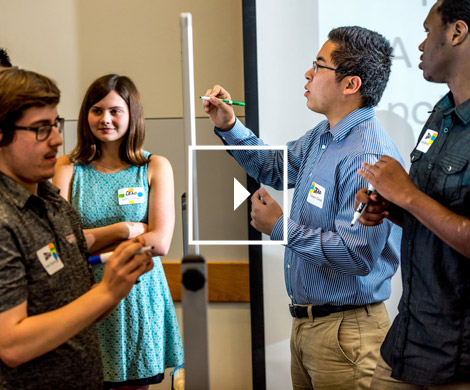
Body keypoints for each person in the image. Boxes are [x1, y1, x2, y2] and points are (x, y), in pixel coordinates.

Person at [203, 26, 403, 390]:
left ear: (350, 85)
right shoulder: (324, 136)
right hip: (310, 328)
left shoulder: (366, 154)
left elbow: (356, 254)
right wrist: (230, 126)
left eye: (319, 65)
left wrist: (280, 226)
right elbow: (274, 167)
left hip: (346, 335)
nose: (308, 74)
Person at [0, 68, 153, 390]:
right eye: (41, 129)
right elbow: (12, 345)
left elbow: (78, 308)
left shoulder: (53, 202)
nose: (57, 139)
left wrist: (119, 282)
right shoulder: (4, 219)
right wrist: (108, 290)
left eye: (55, 125)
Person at [355, 1, 470, 388]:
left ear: (457, 32)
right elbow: (435, 216)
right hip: (408, 345)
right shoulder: (441, 115)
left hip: (458, 361)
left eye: (427, 31)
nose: (420, 45)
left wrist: (407, 196)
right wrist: (389, 207)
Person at [53, 74, 184, 390]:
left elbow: (159, 242)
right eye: (96, 110)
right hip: (83, 296)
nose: (105, 119)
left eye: (115, 111)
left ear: (132, 115)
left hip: (136, 295)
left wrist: (89, 242)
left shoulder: (154, 167)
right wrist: (124, 229)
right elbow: (61, 244)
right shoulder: (67, 168)